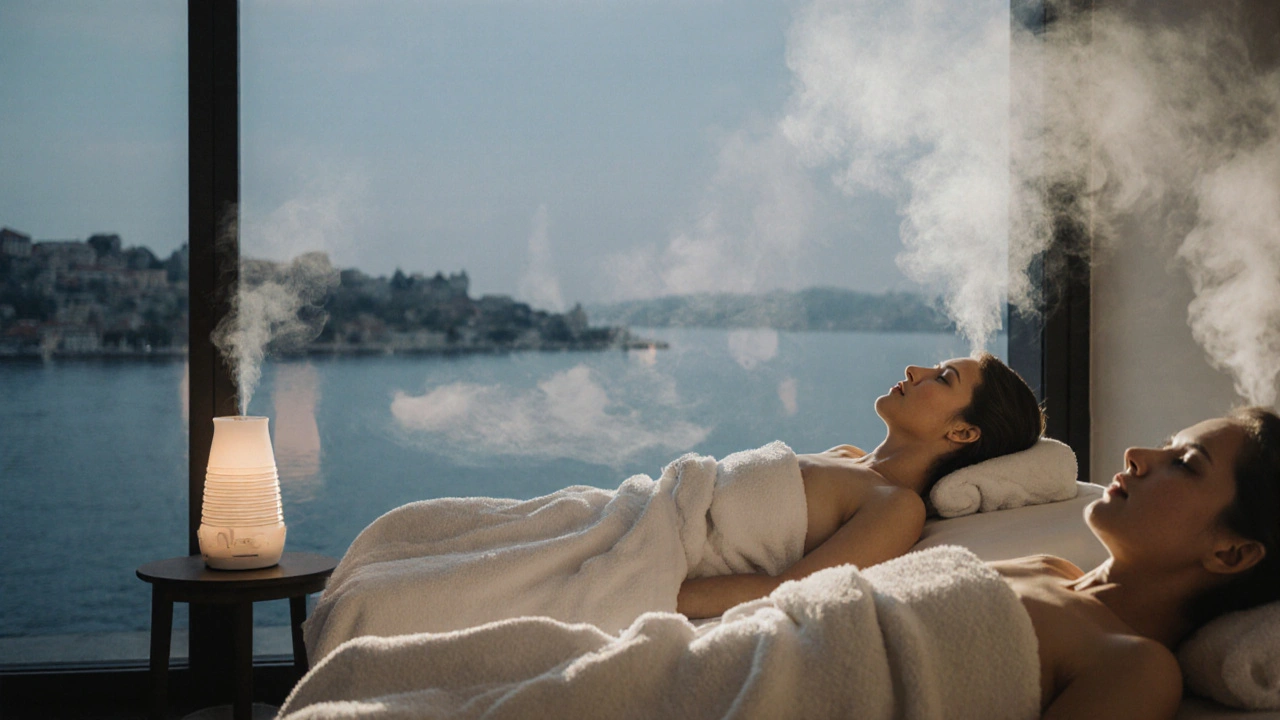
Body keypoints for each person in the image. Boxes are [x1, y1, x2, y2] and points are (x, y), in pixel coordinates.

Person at [679, 350, 1044, 618]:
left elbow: (788, 591)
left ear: (963, 431)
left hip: (659, 562)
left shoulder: (895, 506)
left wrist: (653, 593)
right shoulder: (844, 455)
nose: (915, 370)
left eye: (944, 378)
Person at [998, 407, 1280, 718]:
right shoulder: (1045, 567)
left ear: (1230, 554)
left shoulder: (1138, 667)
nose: (1134, 455)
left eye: (1184, 464)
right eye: (1164, 445)